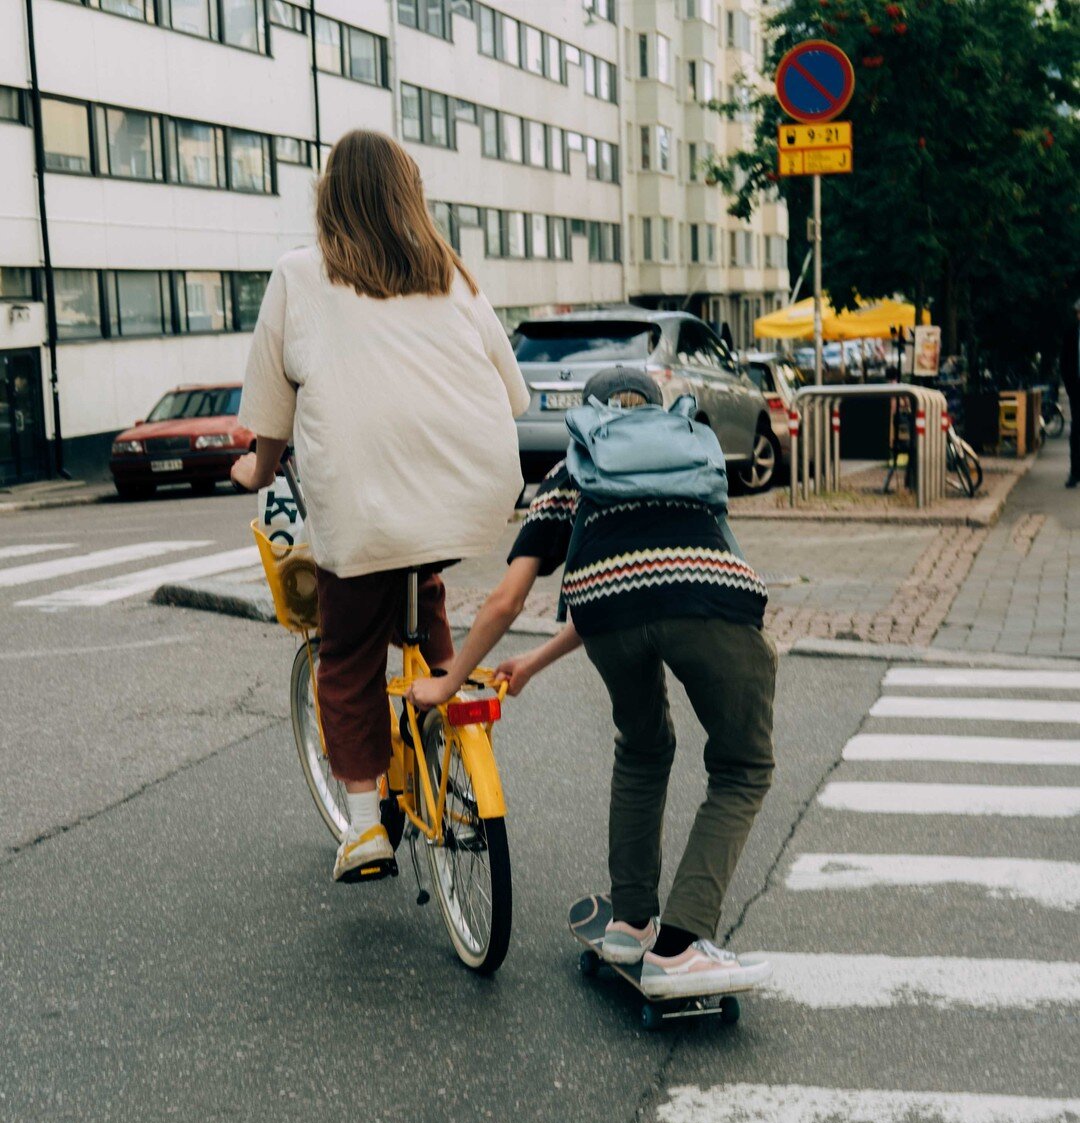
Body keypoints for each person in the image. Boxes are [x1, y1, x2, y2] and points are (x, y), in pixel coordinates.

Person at [409, 369, 776, 998]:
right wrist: (511, 669)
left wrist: (458, 678)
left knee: (642, 746)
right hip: (710, 605)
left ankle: (631, 924)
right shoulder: (681, 449)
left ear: (590, 415)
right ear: (659, 415)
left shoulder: (572, 470)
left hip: (610, 616)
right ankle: (682, 947)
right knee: (742, 764)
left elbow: (513, 598)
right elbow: (668, 575)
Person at [232, 129, 528, 880]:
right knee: (419, 579)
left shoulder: (299, 276)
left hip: (365, 509)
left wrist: (255, 470)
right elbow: (516, 392)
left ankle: (365, 827)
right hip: (476, 492)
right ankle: (449, 716)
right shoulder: (452, 274)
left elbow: (269, 420)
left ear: (330, 197)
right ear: (410, 195)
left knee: (348, 651)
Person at [1059, 297, 1080, 488]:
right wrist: (1070, 386)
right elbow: (1064, 362)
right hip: (1077, 389)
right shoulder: (1071, 334)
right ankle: (1075, 472)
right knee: (1076, 430)